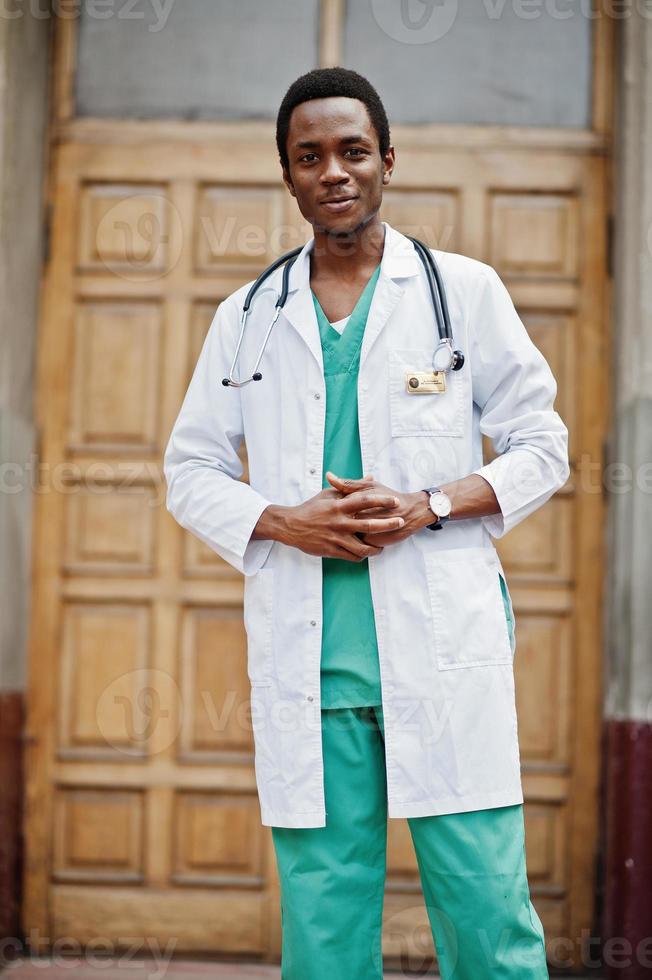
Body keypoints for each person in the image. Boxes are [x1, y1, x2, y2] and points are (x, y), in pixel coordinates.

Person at [164, 67, 569, 980]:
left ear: (387, 159)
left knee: (485, 910)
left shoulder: (462, 293)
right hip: (317, 662)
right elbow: (187, 470)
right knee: (325, 916)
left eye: (352, 151)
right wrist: (281, 519)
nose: (333, 171)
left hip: (441, 644)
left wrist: (430, 505)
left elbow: (543, 446)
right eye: (310, 157)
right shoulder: (247, 320)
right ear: (289, 175)